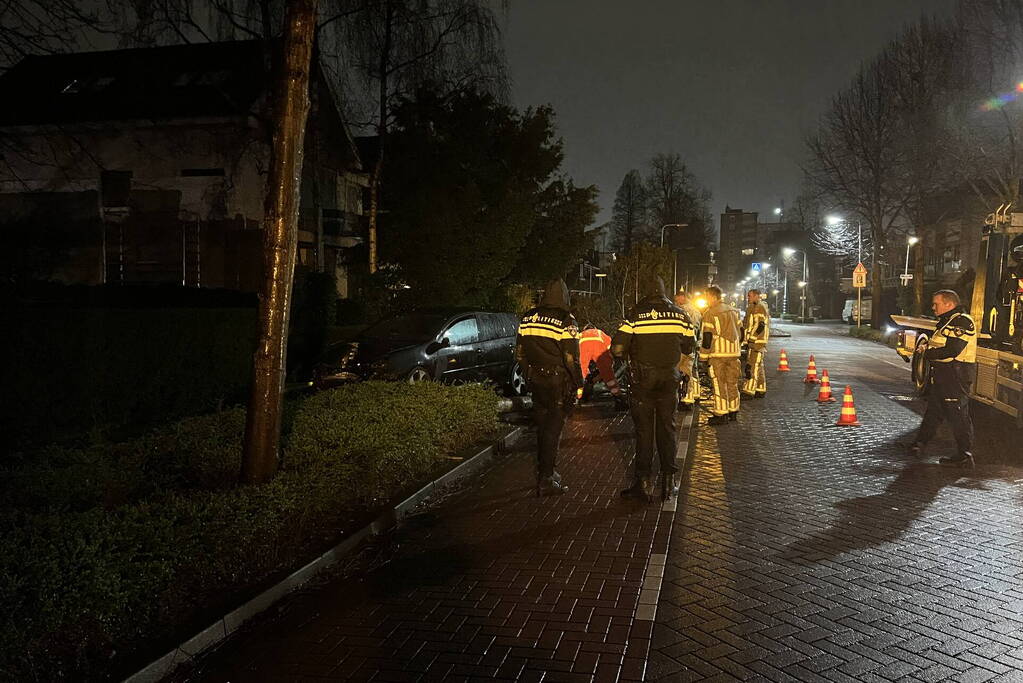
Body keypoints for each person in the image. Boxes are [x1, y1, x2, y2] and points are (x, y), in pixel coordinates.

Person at [612, 276, 695, 502]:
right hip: (670, 377)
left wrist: (633, 354)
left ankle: (644, 483)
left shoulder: (635, 315)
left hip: (642, 379)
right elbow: (690, 344)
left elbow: (617, 349)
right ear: (663, 291)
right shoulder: (680, 314)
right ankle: (669, 483)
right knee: (668, 429)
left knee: (644, 432)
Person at [516, 279, 584, 495]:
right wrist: (579, 382)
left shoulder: (528, 317)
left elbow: (519, 354)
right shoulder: (567, 320)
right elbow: (571, 357)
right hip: (558, 382)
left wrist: (530, 373)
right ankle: (546, 479)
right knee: (553, 430)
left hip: (536, 379)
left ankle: (546, 472)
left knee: (542, 426)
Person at [905, 289, 977, 467]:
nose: (933, 307)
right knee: (934, 412)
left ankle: (965, 456)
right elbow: (941, 345)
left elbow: (953, 350)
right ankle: (919, 444)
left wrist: (927, 353)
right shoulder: (947, 322)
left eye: (936, 303)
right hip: (945, 374)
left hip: (955, 375)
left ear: (949, 304)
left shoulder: (962, 322)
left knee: (958, 414)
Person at [701, 286, 742, 425]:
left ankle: (721, 413)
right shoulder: (734, 311)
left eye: (707, 297)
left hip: (718, 354)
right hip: (734, 354)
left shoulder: (710, 313)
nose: (706, 300)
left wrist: (703, 357)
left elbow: (707, 338)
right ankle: (733, 411)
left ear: (713, 297)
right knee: (732, 383)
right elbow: (741, 332)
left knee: (719, 384)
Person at [578, 324, 625, 407]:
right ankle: (619, 399)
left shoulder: (581, 334)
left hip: (583, 347)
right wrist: (609, 365)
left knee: (580, 373)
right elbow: (610, 348)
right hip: (599, 347)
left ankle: (579, 398)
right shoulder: (600, 333)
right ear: (595, 328)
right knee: (608, 375)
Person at [673, 288, 702, 411]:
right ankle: (695, 394)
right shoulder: (694, 310)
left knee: (686, 371)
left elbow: (691, 329)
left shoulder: (686, 311)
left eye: (676, 299)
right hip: (693, 344)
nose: (675, 302)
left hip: (686, 345)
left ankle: (687, 399)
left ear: (683, 297)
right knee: (692, 370)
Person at [740, 289, 770, 398]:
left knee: (752, 366)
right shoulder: (752, 307)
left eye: (750, 296)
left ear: (757, 296)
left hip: (757, 342)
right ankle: (760, 388)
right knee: (758, 365)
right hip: (755, 342)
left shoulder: (759, 307)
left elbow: (760, 325)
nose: (748, 298)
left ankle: (749, 390)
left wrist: (752, 338)